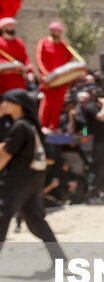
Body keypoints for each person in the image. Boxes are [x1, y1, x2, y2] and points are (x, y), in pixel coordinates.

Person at [0, 89, 65, 262]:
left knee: (2, 216)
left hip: (16, 181)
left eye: (7, 101)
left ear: (18, 106)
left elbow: (5, 154)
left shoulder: (20, 126)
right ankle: (59, 258)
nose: (3, 104)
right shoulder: (29, 125)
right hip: (33, 180)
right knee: (37, 221)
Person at [34, 21, 76, 130]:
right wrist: (45, 74)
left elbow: (70, 57)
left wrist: (66, 72)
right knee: (48, 102)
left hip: (61, 79)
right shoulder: (43, 42)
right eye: (54, 30)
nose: (56, 32)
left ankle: (53, 126)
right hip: (48, 79)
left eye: (58, 31)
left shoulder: (64, 45)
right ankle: (42, 126)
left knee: (58, 103)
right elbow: (39, 59)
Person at [0, 17, 31, 96]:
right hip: (3, 82)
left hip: (18, 82)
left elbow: (25, 58)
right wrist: (13, 65)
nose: (13, 28)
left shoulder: (19, 42)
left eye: (13, 26)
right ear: (3, 28)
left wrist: (30, 72)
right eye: (10, 25)